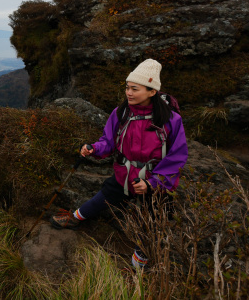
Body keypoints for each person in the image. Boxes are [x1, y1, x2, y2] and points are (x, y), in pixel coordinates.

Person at [51, 59, 188, 269]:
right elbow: (109, 141)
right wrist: (94, 148)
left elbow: (177, 157)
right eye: (127, 87)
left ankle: (139, 264)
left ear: (152, 91)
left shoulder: (170, 119)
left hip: (153, 180)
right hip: (125, 174)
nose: (129, 93)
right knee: (105, 195)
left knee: (153, 219)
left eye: (135, 89)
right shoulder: (121, 113)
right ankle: (75, 217)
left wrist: (153, 183)